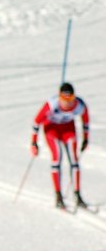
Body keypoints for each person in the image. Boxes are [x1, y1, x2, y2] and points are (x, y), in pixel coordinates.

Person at [30, 82, 91, 210]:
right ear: (60, 97)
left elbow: (85, 122)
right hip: (51, 130)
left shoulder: (79, 105)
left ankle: (77, 194)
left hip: (68, 130)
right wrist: (34, 142)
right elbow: (36, 122)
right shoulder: (52, 104)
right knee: (57, 157)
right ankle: (58, 195)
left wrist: (85, 139)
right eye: (64, 99)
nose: (67, 103)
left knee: (74, 160)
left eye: (70, 99)